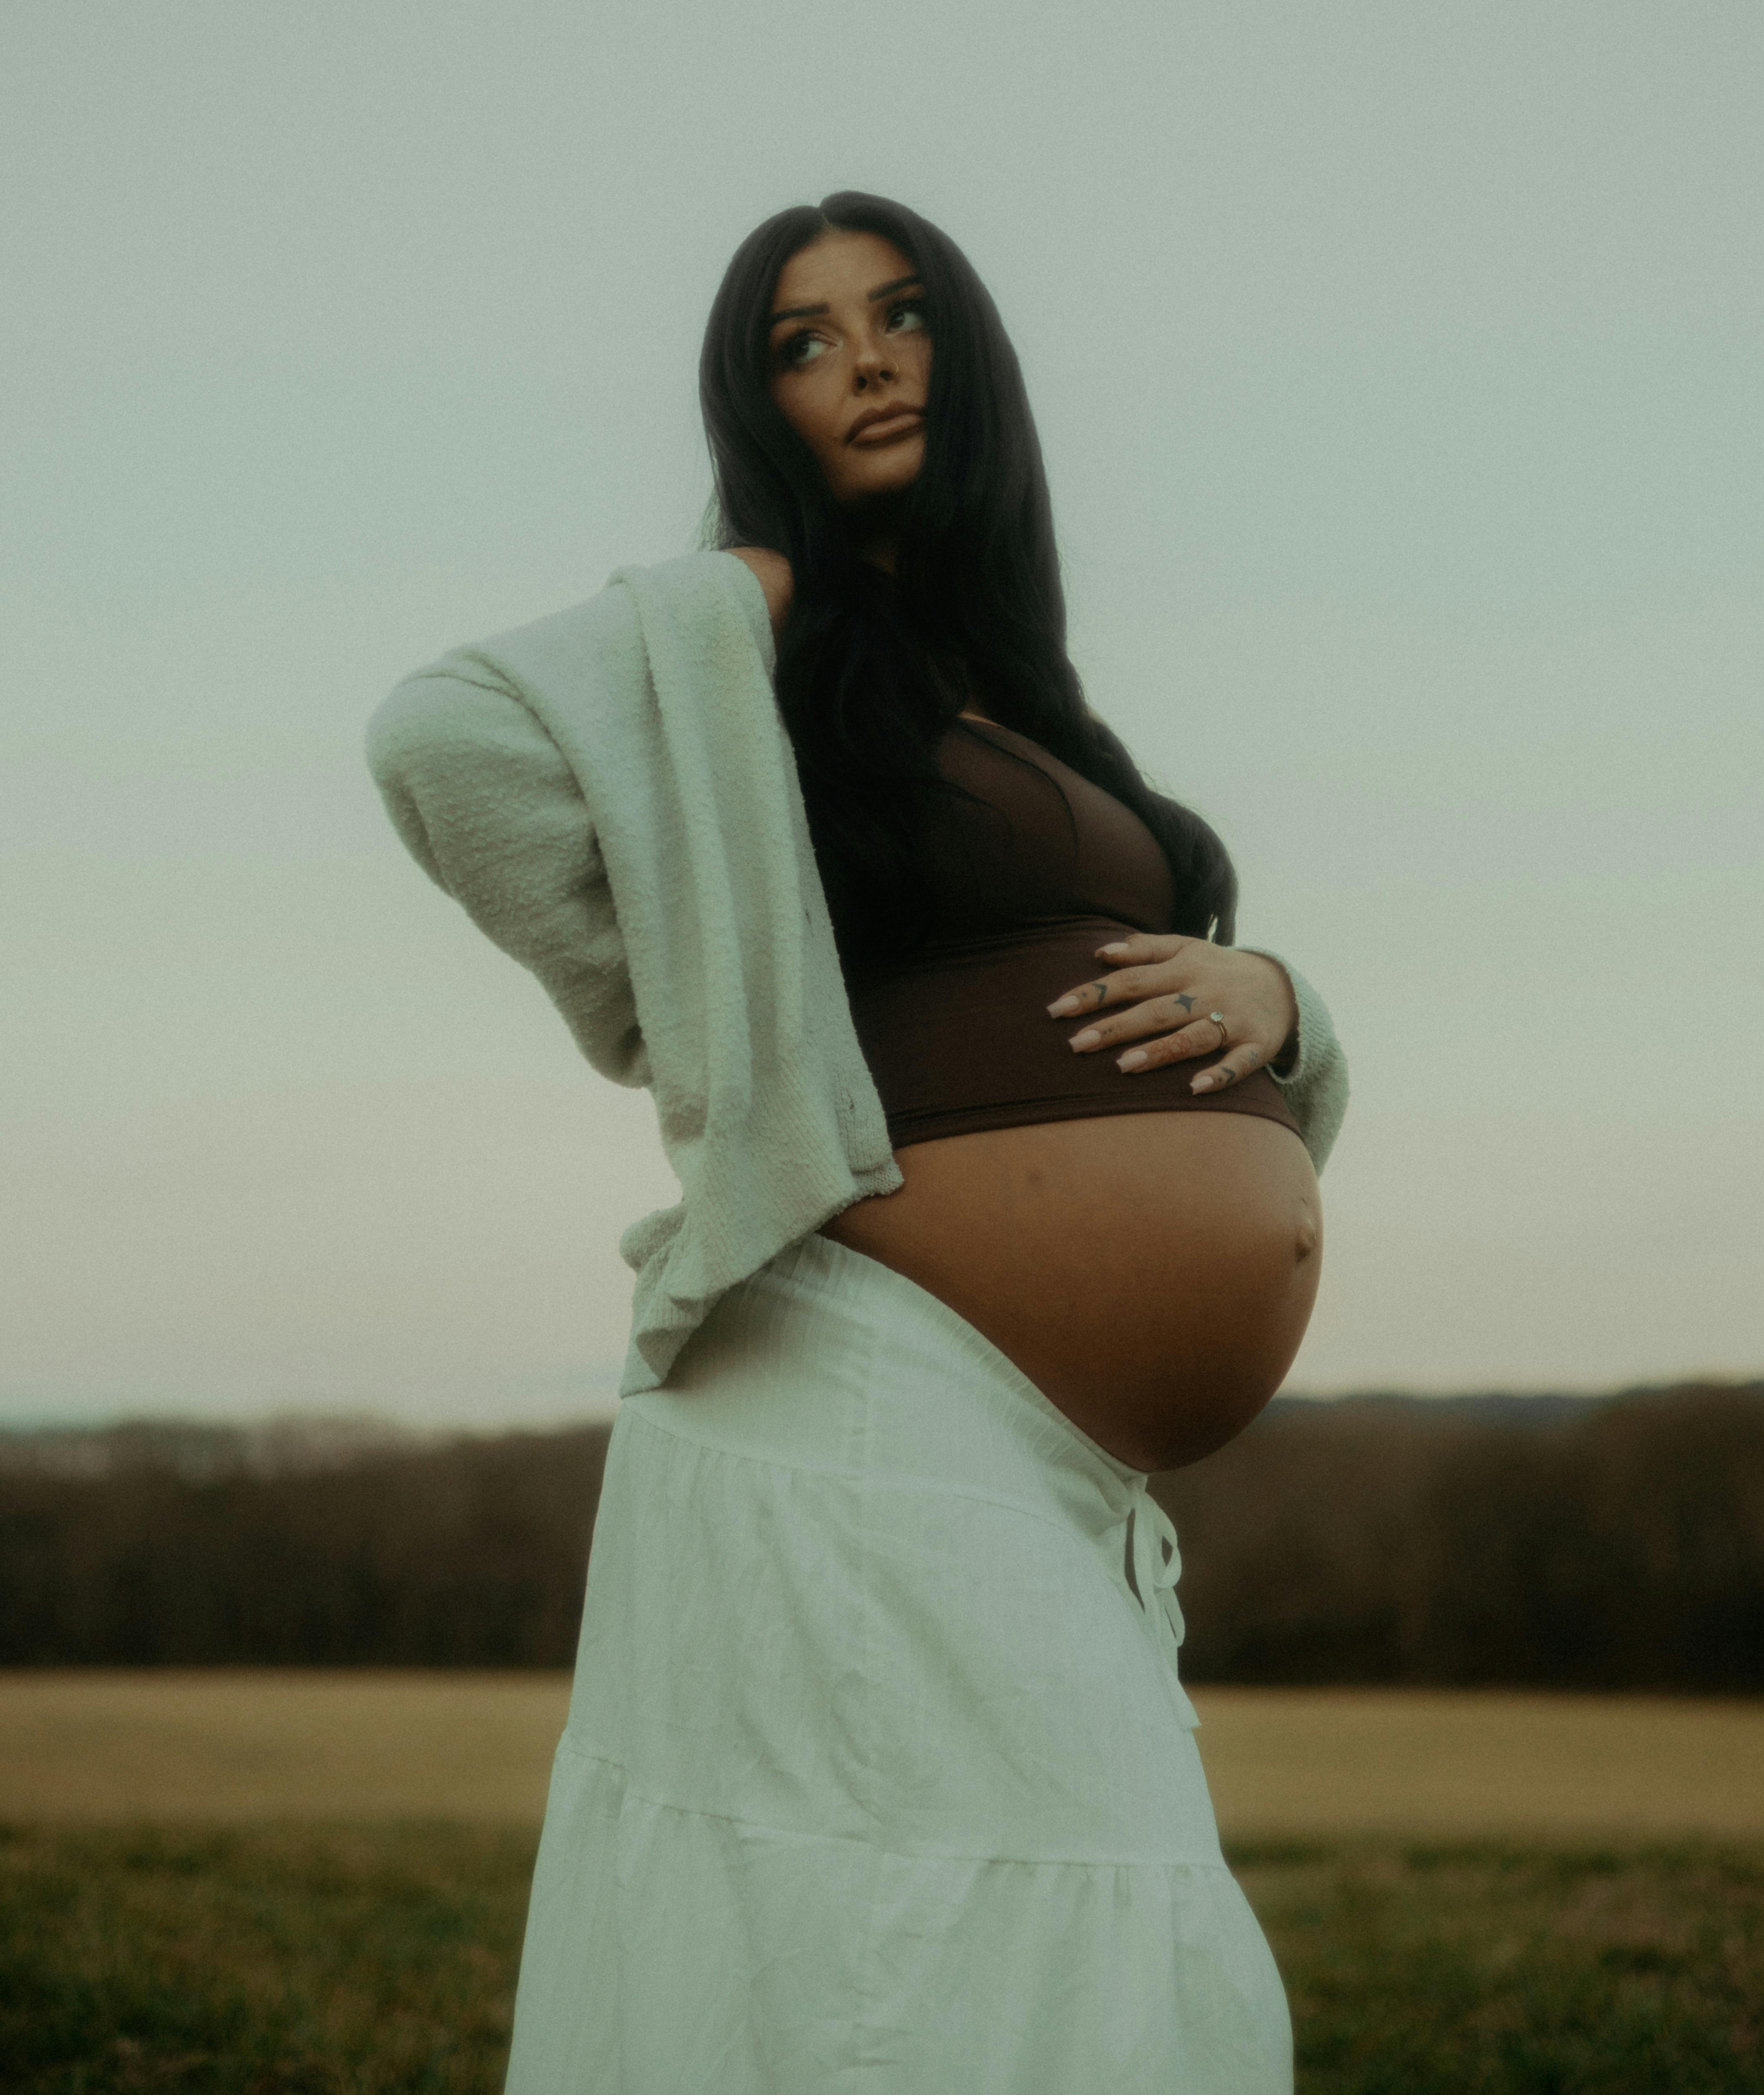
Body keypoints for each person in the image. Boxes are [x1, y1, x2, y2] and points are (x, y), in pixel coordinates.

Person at [367, 191, 1348, 2093]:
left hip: (1039, 1452)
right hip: (859, 1389)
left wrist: (1289, 1001)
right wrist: (697, 1026)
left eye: (898, 316)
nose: (865, 359)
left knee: (1060, 1911)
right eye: (799, 343)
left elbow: (1188, 1017)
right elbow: (442, 742)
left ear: (967, 354)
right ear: (757, 408)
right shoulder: (758, 633)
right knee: (917, 1932)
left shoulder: (1027, 699)